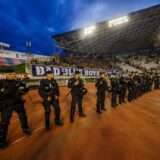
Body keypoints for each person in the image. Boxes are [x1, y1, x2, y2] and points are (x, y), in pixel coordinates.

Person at [0, 68, 31, 149]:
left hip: (18, 103)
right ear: (6, 74)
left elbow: (25, 90)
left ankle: (25, 129)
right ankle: (2, 140)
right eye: (10, 74)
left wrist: (26, 88)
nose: (12, 75)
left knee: (23, 117)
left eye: (14, 74)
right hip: (7, 104)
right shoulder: (1, 82)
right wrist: (2, 92)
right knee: (4, 122)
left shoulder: (18, 82)